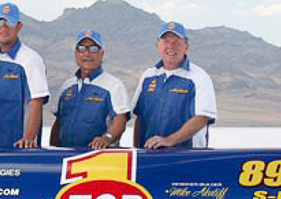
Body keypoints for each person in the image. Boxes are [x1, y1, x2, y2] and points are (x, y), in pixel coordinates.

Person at [131, 21, 218, 149]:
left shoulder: (198, 77)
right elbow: (139, 117)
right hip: (149, 157)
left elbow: (202, 118)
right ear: (158, 45)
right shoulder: (148, 76)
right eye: (166, 41)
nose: (171, 46)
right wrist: (137, 150)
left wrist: (169, 140)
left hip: (187, 157)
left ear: (186, 46)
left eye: (177, 42)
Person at [0, 2, 49, 149]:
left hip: (18, 151)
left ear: (19, 26)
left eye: (9, 23)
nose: (4, 28)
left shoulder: (30, 59)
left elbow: (36, 102)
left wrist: (28, 138)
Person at [49, 29, 130, 149]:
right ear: (76, 52)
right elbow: (58, 122)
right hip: (67, 157)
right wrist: (53, 150)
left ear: (101, 53)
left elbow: (120, 120)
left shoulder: (114, 85)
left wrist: (107, 138)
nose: (87, 54)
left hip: (98, 159)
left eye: (93, 49)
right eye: (82, 48)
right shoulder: (66, 86)